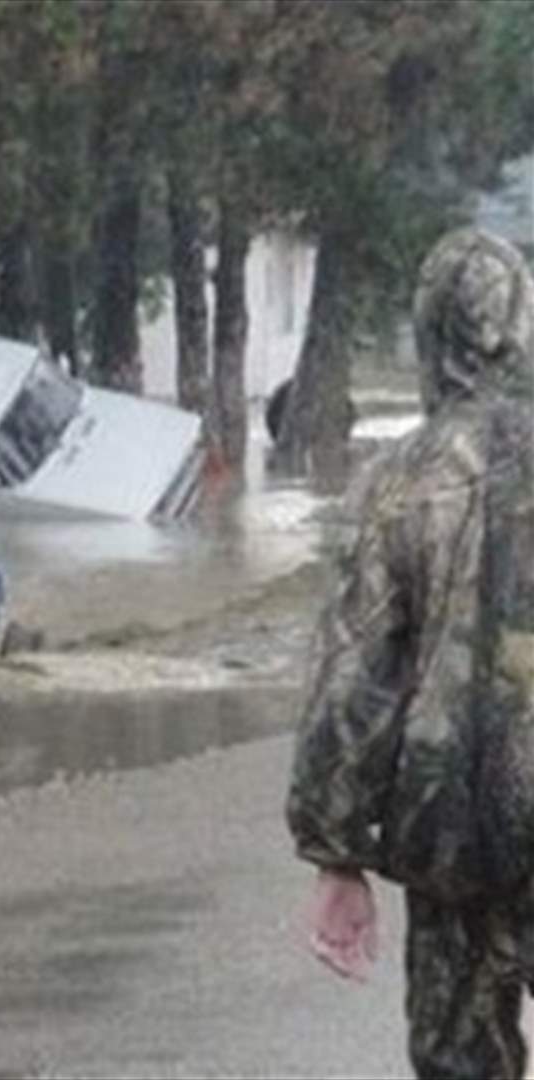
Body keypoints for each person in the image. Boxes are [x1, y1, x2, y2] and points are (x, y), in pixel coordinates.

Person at [287, 226, 533, 1079]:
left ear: (432, 334)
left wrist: (335, 853)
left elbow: (353, 678)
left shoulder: (399, 483)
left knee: (460, 1064)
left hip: (452, 842)